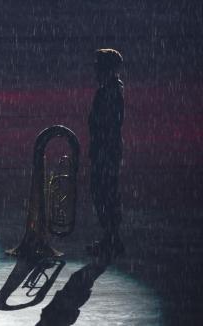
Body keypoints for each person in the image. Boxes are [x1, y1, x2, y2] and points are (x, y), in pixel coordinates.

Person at [87, 48, 125, 260]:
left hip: (105, 151)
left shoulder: (108, 91)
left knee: (104, 193)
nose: (95, 70)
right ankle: (111, 238)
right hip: (106, 150)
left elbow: (106, 124)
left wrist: (100, 148)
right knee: (106, 192)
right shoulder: (112, 89)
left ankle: (111, 239)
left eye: (98, 66)